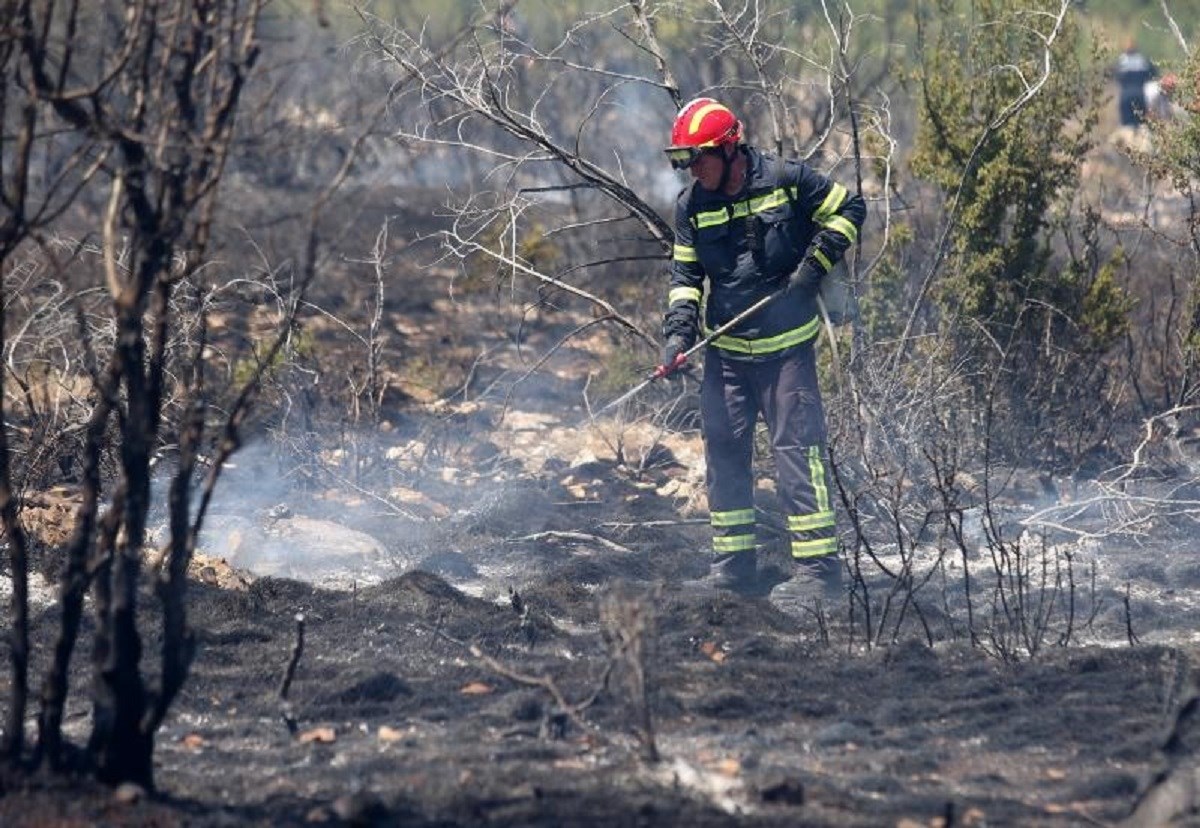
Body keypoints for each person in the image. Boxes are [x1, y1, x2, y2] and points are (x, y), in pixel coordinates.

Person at [659, 97, 865, 609]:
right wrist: (678, 337)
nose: (691, 169)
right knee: (724, 456)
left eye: (698, 157)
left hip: (786, 354)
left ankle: (819, 575)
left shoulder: (787, 180)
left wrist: (813, 266)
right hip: (725, 358)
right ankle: (733, 568)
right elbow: (686, 278)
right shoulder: (690, 207)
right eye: (682, 160)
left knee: (798, 456)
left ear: (730, 149)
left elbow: (850, 209)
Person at [1115, 39, 1158, 128]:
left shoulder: (1121, 61)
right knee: (1141, 124)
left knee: (1126, 126)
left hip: (1125, 97)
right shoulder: (1142, 60)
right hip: (1140, 95)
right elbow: (1153, 74)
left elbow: (1116, 76)